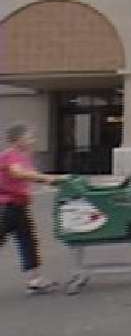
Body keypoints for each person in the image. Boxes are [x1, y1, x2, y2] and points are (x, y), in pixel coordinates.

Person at [0, 124, 63, 294]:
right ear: (17, 139)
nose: (32, 140)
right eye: (29, 137)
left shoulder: (22, 156)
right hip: (6, 207)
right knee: (24, 241)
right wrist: (46, 178)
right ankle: (35, 278)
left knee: (28, 242)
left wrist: (51, 181)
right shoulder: (10, 155)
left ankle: (35, 279)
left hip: (18, 207)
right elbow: (18, 173)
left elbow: (29, 176)